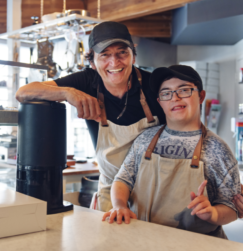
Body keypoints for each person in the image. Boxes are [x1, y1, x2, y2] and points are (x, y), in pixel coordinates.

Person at [15, 21, 166, 212]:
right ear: (93, 61)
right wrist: (67, 92)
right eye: (105, 55)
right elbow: (24, 92)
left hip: (153, 193)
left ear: (133, 56)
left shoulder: (155, 85)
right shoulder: (86, 81)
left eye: (122, 53)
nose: (114, 62)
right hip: (110, 195)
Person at [102, 65, 241, 239]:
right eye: (166, 93)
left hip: (196, 244)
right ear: (160, 102)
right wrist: (119, 205)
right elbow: (123, 180)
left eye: (184, 90)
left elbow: (233, 207)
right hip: (143, 239)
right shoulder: (144, 139)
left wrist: (212, 213)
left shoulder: (218, 149)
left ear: (201, 96)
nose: (174, 98)